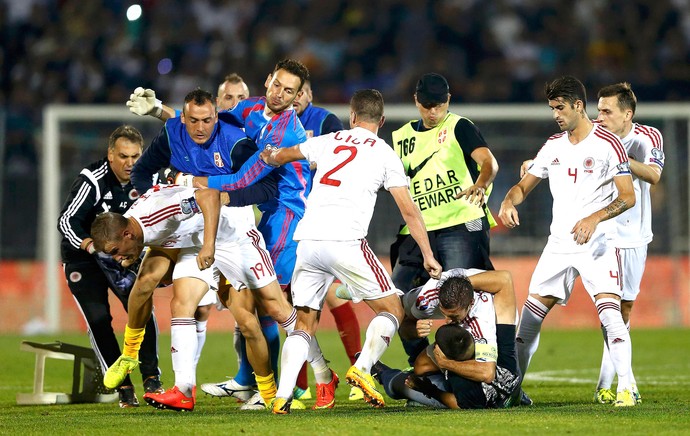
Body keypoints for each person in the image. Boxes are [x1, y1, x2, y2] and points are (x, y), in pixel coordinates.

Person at [258, 89, 442, 414]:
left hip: (309, 241)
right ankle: (363, 366)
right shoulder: (385, 153)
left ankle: (282, 396)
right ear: (381, 121)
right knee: (393, 310)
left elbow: (283, 155)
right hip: (346, 241)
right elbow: (409, 210)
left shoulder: (330, 139)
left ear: (352, 116)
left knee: (304, 322)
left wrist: (268, 154)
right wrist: (427, 253)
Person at [125, 88, 304, 411]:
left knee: (259, 317)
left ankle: (301, 380)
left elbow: (265, 185)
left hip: (235, 233)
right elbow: (143, 170)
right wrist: (148, 191)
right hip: (197, 236)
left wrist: (224, 196)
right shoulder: (173, 132)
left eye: (207, 120)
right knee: (182, 304)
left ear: (216, 116)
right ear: (183, 117)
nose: (200, 128)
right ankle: (183, 390)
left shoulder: (236, 140)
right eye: (193, 120)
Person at [191, 59, 338, 410]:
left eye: (289, 91)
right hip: (270, 215)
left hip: (291, 216)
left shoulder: (287, 132)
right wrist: (164, 113)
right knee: (266, 304)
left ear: (298, 95)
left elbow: (244, 180)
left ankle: (283, 384)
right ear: (268, 80)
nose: (279, 95)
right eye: (277, 86)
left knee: (271, 303)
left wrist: (201, 183)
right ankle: (274, 380)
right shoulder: (252, 107)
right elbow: (208, 125)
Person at [498, 76, 638, 407]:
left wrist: (593, 219)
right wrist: (508, 201)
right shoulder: (553, 146)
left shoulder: (609, 144)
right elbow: (522, 186)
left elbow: (628, 197)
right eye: (552, 108)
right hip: (559, 245)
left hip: (597, 243)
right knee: (529, 320)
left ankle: (626, 387)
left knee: (610, 314)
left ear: (578, 105)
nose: (556, 114)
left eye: (560, 108)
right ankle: (512, 391)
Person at [94, 185, 298, 412]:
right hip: (193, 243)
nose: (117, 258)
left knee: (250, 321)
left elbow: (209, 196)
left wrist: (209, 245)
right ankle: (179, 388)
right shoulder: (138, 229)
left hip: (229, 235)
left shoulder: (157, 213)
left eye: (114, 251)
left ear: (127, 235)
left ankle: (281, 388)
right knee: (174, 301)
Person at [390, 72, 499, 365]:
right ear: (416, 101)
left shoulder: (459, 126)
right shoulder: (400, 138)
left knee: (467, 300)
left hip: (461, 225)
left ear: (448, 100)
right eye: (427, 105)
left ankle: (484, 366)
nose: (433, 111)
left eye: (438, 104)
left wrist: (481, 184)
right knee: (395, 301)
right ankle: (424, 366)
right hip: (418, 232)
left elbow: (489, 162)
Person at [57, 125, 163, 408]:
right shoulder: (92, 179)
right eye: (123, 156)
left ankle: (152, 378)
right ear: (110, 155)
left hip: (121, 257)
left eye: (135, 156)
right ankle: (124, 387)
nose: (130, 163)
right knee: (100, 321)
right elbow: (66, 221)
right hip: (84, 258)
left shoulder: (147, 177)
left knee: (141, 309)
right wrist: (93, 246)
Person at [592, 82, 663, 404]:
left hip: (634, 235)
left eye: (607, 111)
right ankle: (623, 383)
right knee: (608, 309)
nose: (600, 117)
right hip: (597, 233)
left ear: (627, 114)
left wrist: (617, 156)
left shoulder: (648, 137)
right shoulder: (590, 132)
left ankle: (605, 385)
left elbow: (653, 175)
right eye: (598, 110)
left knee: (625, 309)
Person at [374, 272, 521, 409]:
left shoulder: (482, 325)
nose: (447, 321)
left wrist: (430, 387)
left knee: (407, 384)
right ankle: (519, 395)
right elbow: (505, 278)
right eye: (445, 314)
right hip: (505, 376)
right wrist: (458, 286)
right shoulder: (429, 296)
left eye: (454, 317)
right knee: (420, 367)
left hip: (475, 382)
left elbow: (486, 375)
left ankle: (384, 375)